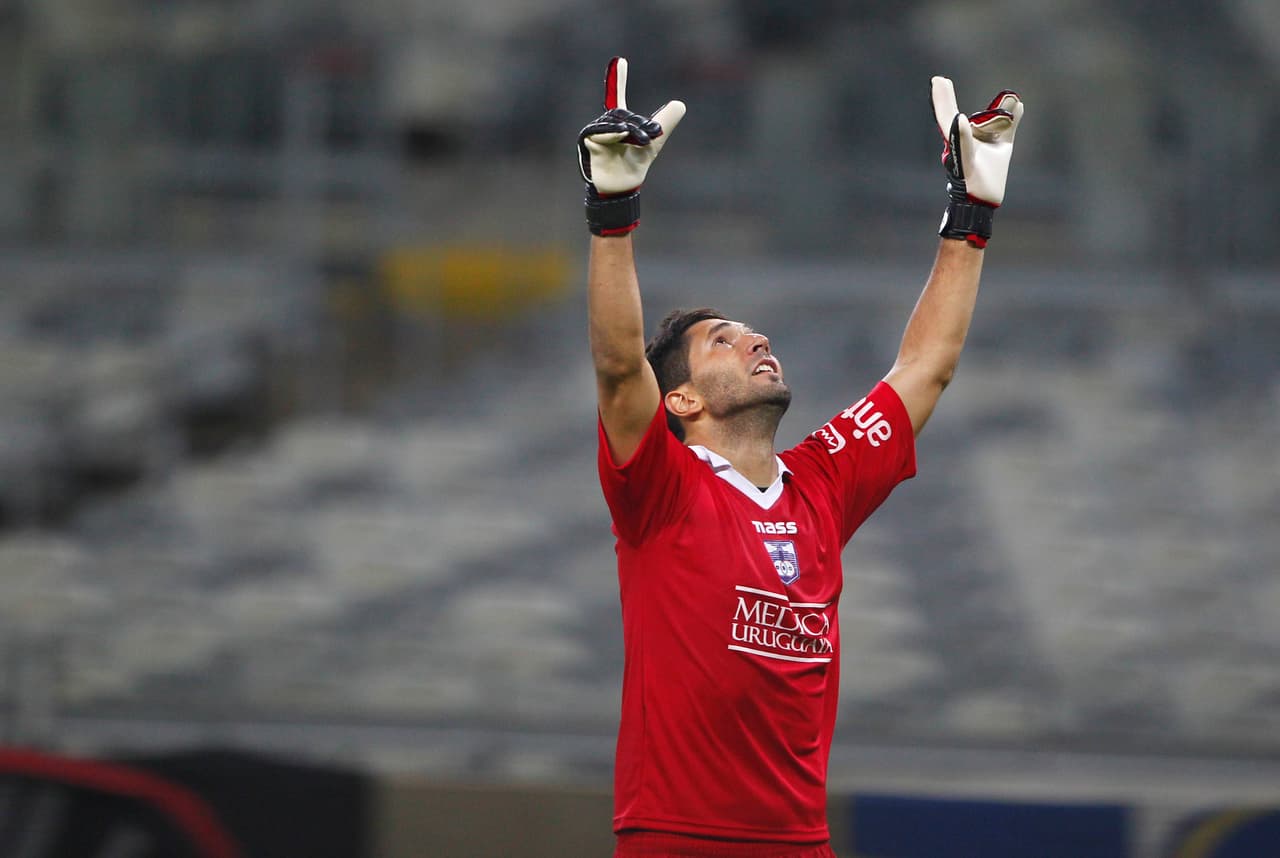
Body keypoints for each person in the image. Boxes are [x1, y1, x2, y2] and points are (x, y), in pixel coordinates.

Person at [580, 56, 1023, 858]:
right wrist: (614, 214)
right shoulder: (661, 486)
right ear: (680, 400)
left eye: (753, 332)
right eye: (724, 340)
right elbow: (618, 367)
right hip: (676, 839)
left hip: (801, 843)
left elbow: (926, 367)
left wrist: (972, 213)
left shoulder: (819, 484)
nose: (758, 339)